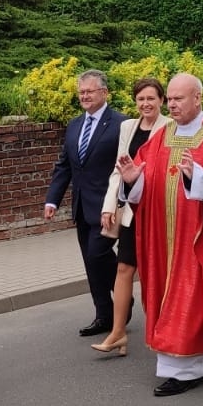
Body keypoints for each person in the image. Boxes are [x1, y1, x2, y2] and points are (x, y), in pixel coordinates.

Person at [116, 74, 203, 397]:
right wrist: (134, 179)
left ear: (198, 99)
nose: (172, 104)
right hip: (162, 238)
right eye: (171, 99)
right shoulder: (162, 136)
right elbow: (144, 173)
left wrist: (201, 178)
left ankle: (186, 367)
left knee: (194, 295)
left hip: (199, 239)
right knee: (167, 294)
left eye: (179, 98)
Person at [44, 69, 125, 338]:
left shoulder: (121, 125)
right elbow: (64, 166)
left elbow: (126, 167)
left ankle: (123, 291)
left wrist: (117, 201)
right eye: (81, 92)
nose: (84, 96)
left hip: (107, 206)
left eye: (89, 91)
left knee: (97, 254)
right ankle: (104, 314)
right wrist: (52, 199)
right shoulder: (75, 125)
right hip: (81, 205)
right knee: (90, 263)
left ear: (104, 92)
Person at [93, 77, 166, 356]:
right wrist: (109, 205)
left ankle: (162, 329)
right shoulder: (128, 127)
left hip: (158, 213)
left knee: (156, 273)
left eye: (151, 98)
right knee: (124, 269)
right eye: (141, 99)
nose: (146, 104)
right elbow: (118, 170)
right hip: (131, 212)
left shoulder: (170, 127)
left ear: (161, 100)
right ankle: (118, 332)